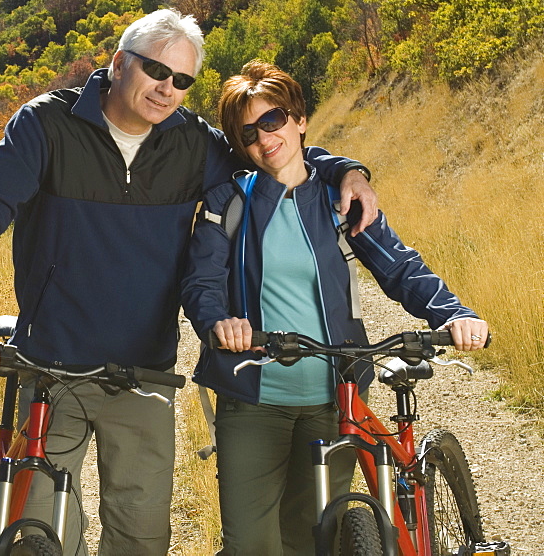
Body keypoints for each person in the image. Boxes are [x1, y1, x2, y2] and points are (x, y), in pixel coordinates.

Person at [0, 9, 377, 555]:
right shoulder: (46, 125)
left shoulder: (191, 144)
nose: (167, 89)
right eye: (156, 71)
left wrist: (346, 170)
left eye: (182, 81)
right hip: (50, 367)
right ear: (120, 63)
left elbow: (275, 156)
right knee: (42, 537)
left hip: (143, 375)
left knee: (141, 539)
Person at [181, 60, 489, 556]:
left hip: (334, 398)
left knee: (310, 538)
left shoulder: (338, 198)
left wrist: (452, 313)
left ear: (299, 119)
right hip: (252, 398)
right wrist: (219, 321)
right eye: (249, 132)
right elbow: (201, 282)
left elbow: (400, 267)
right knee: (250, 544)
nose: (264, 138)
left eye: (273, 120)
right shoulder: (228, 201)